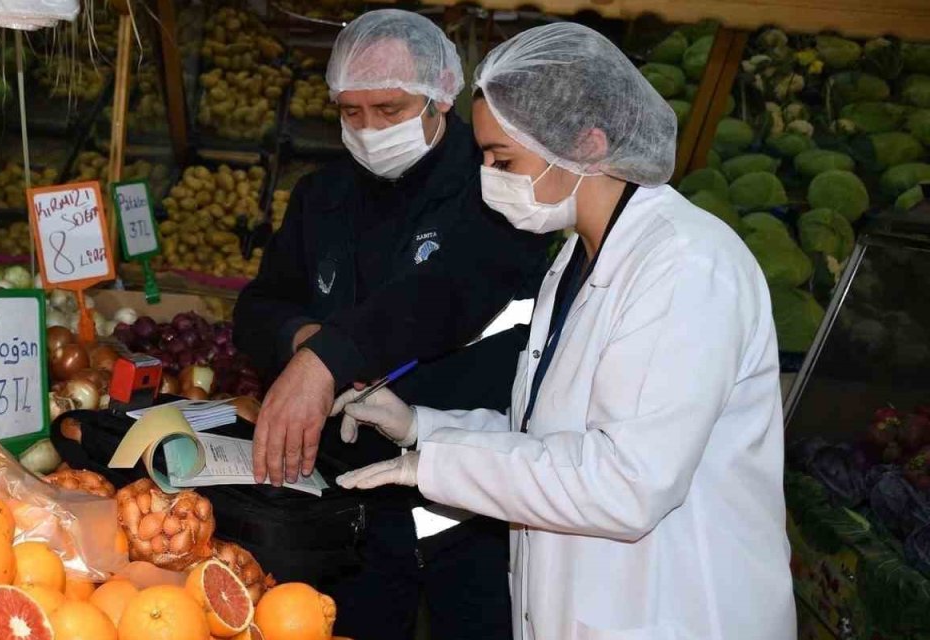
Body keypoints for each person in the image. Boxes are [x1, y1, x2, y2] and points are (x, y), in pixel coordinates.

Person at [334, 22, 796, 640]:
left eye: (504, 160)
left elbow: (624, 484)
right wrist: (421, 425)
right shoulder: (576, 258)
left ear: (588, 144)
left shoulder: (687, 267)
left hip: (678, 612)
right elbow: (550, 439)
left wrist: (433, 467)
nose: (489, 177)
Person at [233, 9, 548, 639]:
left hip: (472, 494)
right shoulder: (322, 195)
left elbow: (444, 294)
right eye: (352, 113)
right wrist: (300, 342)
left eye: (390, 109)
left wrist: (327, 359)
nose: (370, 128)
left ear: (441, 99)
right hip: (348, 494)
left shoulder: (499, 183)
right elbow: (258, 306)